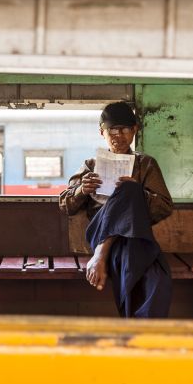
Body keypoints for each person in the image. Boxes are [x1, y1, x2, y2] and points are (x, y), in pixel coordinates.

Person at [58, 101, 174, 318]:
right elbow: (65, 205)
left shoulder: (145, 164)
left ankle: (139, 336)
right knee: (130, 190)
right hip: (100, 231)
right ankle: (101, 252)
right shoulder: (90, 165)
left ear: (135, 130)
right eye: (112, 129)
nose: (118, 135)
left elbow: (164, 207)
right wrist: (82, 190)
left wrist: (139, 194)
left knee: (158, 279)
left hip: (136, 236)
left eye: (125, 129)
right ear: (102, 132)